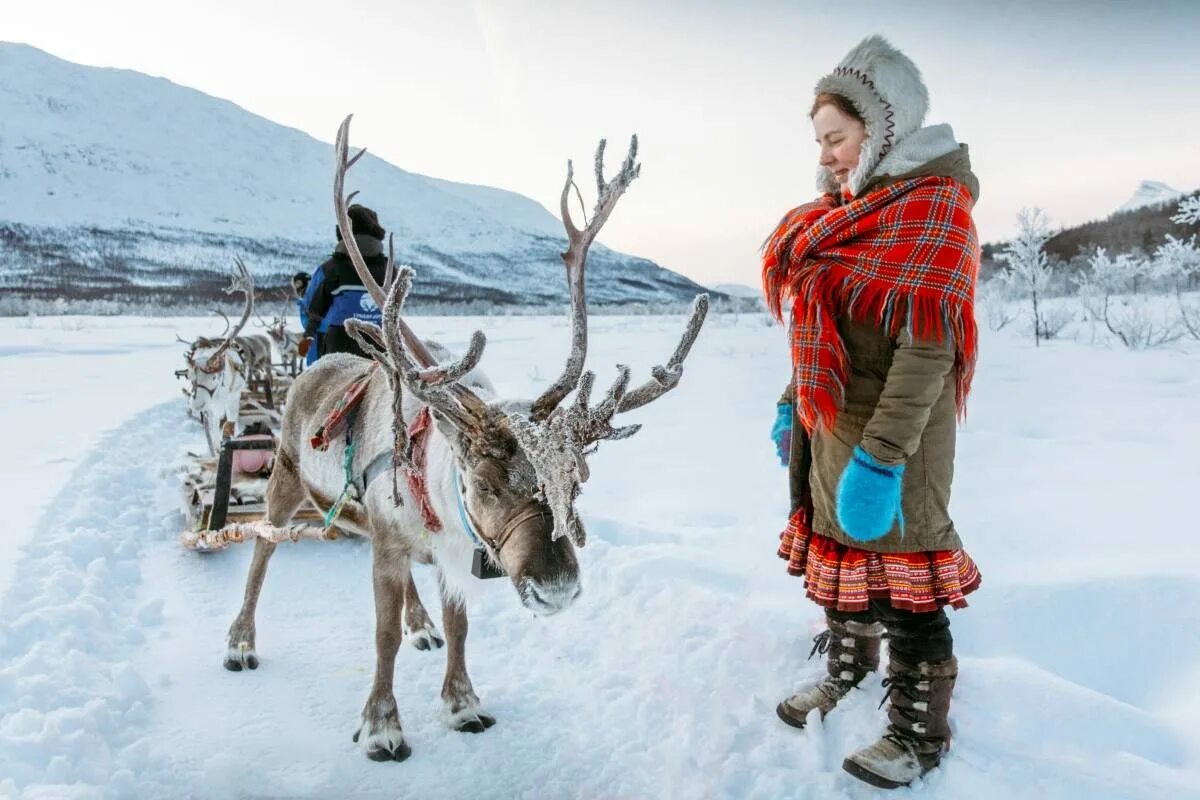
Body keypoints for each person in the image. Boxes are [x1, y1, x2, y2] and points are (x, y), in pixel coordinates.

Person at [761, 35, 982, 790]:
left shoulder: (933, 216)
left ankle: (920, 728)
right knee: (842, 572)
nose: (826, 155)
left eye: (837, 138)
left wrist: (881, 458)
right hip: (831, 437)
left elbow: (928, 357)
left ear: (881, 129)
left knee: (905, 587)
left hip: (898, 447)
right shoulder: (839, 218)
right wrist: (794, 405)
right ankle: (848, 668)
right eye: (820, 141)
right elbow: (814, 333)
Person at [304, 204, 387, 359]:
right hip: (381, 344)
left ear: (343, 231)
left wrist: (310, 333)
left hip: (339, 344)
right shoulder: (390, 270)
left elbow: (310, 306)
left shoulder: (330, 269)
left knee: (333, 383)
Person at [290, 271, 316, 364]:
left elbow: (316, 320)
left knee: (315, 367)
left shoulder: (309, 299)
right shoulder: (315, 295)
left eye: (296, 284)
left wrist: (307, 336)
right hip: (316, 338)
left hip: (316, 339)